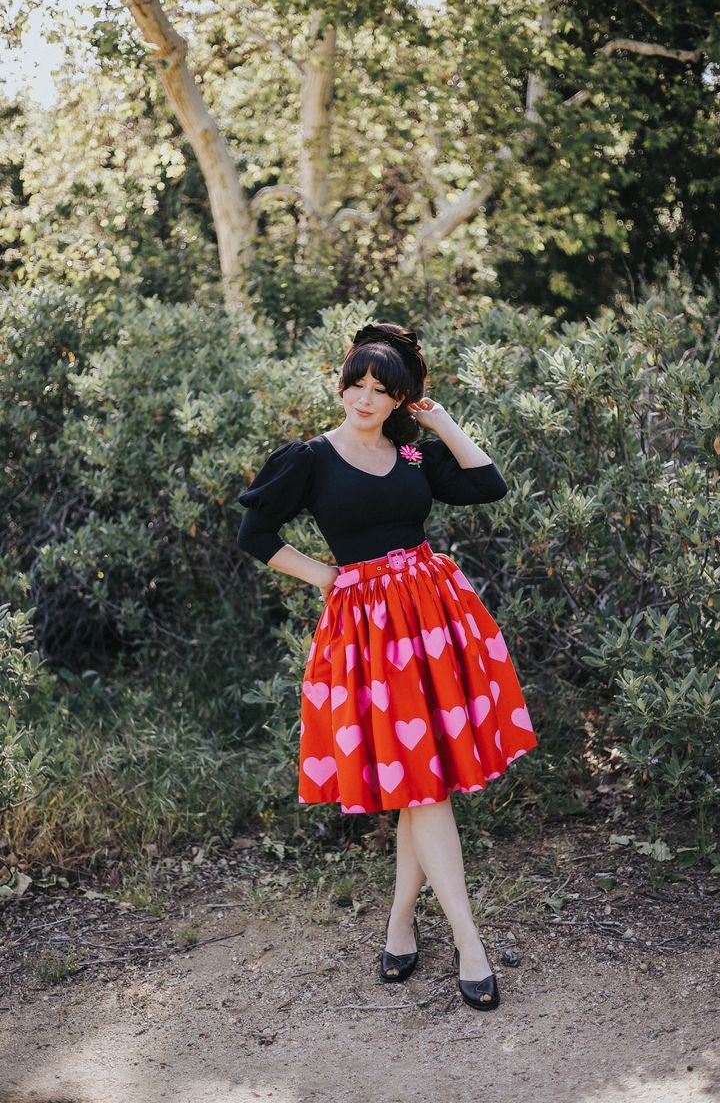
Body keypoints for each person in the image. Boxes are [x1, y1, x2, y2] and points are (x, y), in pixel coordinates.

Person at [236, 322, 538, 1011]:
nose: (365, 399)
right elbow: (255, 534)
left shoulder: (409, 452)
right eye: (357, 385)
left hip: (435, 618)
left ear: (400, 398)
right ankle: (469, 940)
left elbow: (488, 485)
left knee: (420, 781)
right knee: (423, 784)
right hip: (370, 634)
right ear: (340, 384)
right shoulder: (310, 458)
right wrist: (327, 578)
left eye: (382, 390)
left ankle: (402, 925)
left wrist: (441, 420)